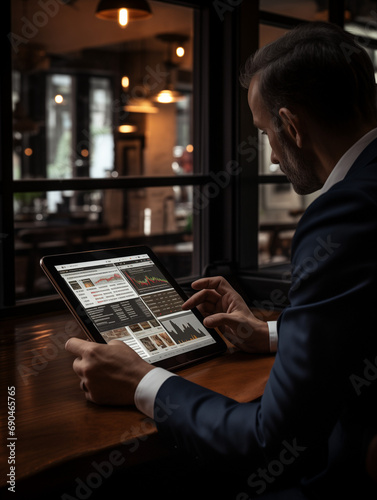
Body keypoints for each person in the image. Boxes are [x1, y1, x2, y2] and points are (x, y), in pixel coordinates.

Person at [65, 22, 377, 498]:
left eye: (266, 132)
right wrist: (270, 333)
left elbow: (268, 441)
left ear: (292, 125)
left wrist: (141, 381)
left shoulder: (344, 213)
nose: (272, 156)